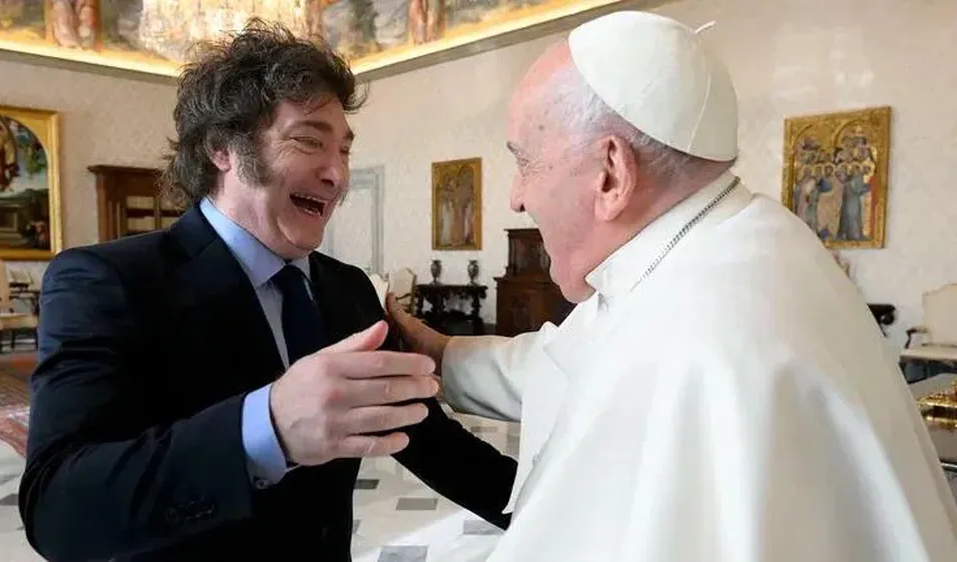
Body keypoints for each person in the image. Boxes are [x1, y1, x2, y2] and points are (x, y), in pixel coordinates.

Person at [386, 10, 957, 562]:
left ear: (611, 172)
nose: (516, 197)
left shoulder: (697, 334)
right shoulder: (732, 242)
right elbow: (567, 364)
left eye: (525, 163)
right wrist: (435, 352)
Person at [19, 19, 516, 561]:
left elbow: (434, 443)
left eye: (345, 151)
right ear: (222, 148)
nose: (337, 176)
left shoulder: (349, 291)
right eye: (308, 141)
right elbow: (58, 510)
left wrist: (573, 511)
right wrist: (268, 428)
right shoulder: (104, 282)